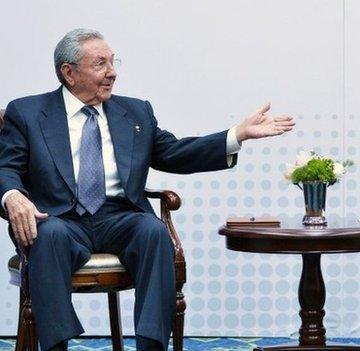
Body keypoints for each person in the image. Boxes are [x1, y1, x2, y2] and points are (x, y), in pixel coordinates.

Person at [0, 28, 295, 351]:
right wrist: (12, 195)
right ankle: (57, 345)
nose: (112, 72)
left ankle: (151, 345)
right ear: (68, 73)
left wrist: (236, 134)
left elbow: (173, 152)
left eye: (113, 62)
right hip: (57, 218)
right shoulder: (27, 113)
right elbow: (6, 167)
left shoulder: (135, 112)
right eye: (100, 64)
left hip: (119, 216)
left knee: (154, 231)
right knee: (50, 235)